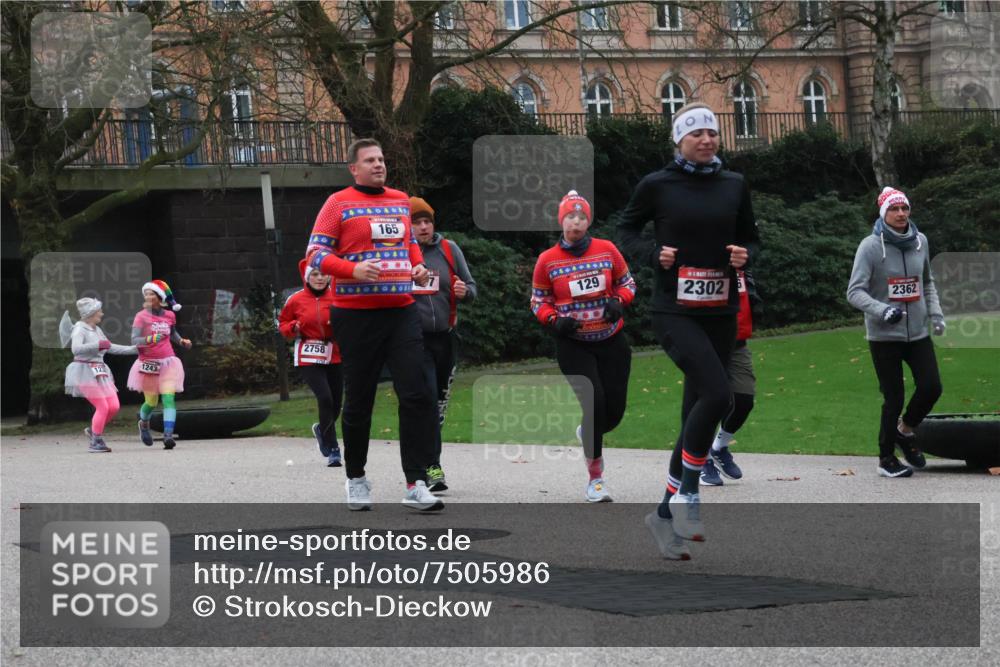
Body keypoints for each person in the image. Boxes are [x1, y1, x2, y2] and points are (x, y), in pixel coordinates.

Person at [618, 102, 759, 552]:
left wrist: (745, 254)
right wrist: (650, 254)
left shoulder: (734, 184)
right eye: (696, 133)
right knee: (719, 395)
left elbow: (752, 235)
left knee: (692, 417)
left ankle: (663, 516)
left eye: (713, 133)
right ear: (678, 140)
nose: (707, 139)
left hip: (721, 311)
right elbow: (625, 231)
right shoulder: (657, 185)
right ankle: (689, 494)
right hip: (674, 311)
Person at [305, 138, 443, 512]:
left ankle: (415, 483)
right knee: (360, 398)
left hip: (401, 310)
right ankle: (356, 478)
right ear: (354, 168)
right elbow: (315, 253)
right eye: (370, 160)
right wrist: (352, 269)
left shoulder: (400, 199)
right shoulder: (338, 203)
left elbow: (408, 243)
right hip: (355, 314)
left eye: (381, 158)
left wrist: (416, 264)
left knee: (415, 394)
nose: (379, 164)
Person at [531, 190, 637, 503]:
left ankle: (587, 432)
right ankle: (596, 479)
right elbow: (538, 300)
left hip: (612, 340)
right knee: (595, 403)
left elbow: (628, 283)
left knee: (613, 413)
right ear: (561, 220)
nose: (575, 222)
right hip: (573, 345)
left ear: (587, 221)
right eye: (569, 217)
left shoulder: (607, 250)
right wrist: (553, 321)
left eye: (581, 217)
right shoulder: (547, 260)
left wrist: (619, 302)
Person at [847, 186, 944, 478]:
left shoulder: (920, 242)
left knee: (931, 387)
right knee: (894, 397)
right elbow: (854, 292)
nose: (901, 214)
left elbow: (926, 281)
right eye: (894, 209)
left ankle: (904, 431)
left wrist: (936, 313)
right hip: (884, 335)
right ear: (883, 213)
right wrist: (881, 310)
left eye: (904, 208)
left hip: (917, 332)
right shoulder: (870, 246)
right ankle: (886, 459)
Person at [410, 196, 478, 492]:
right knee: (424, 400)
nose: (424, 227)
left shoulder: (449, 250)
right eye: (417, 222)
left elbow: (471, 286)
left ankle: (427, 460)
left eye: (428, 221)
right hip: (415, 341)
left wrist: (465, 292)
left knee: (437, 406)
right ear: (407, 226)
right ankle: (432, 467)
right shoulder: (401, 255)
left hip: (446, 339)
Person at [279, 259, 343, 467]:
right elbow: (283, 323)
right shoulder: (295, 299)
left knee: (336, 404)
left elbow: (351, 319)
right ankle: (333, 449)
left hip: (334, 353)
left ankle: (320, 430)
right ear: (308, 276)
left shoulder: (337, 296)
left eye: (323, 274)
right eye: (315, 274)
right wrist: (293, 327)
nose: (320, 278)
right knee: (325, 398)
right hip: (308, 354)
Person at [701, 269, 760, 486]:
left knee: (744, 400)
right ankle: (701, 458)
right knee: (711, 401)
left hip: (737, 342)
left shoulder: (739, 257)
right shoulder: (699, 255)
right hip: (706, 344)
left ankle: (719, 447)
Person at [60, 297, 137, 453]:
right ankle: (96, 441)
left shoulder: (96, 329)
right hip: (84, 372)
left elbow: (109, 347)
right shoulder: (80, 329)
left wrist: (134, 349)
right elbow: (76, 349)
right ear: (91, 313)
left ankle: (93, 430)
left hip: (99, 371)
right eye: (99, 311)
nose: (101, 314)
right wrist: (97, 345)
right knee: (102, 406)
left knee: (114, 406)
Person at [128, 280, 192, 450]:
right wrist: (149, 339)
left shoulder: (170, 315)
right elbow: (134, 340)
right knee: (151, 402)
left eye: (151, 294)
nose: (148, 297)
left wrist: (182, 341)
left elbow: (172, 333)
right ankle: (144, 424)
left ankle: (168, 435)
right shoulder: (141, 316)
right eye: (146, 294)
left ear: (160, 297)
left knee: (169, 398)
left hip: (169, 360)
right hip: (148, 362)